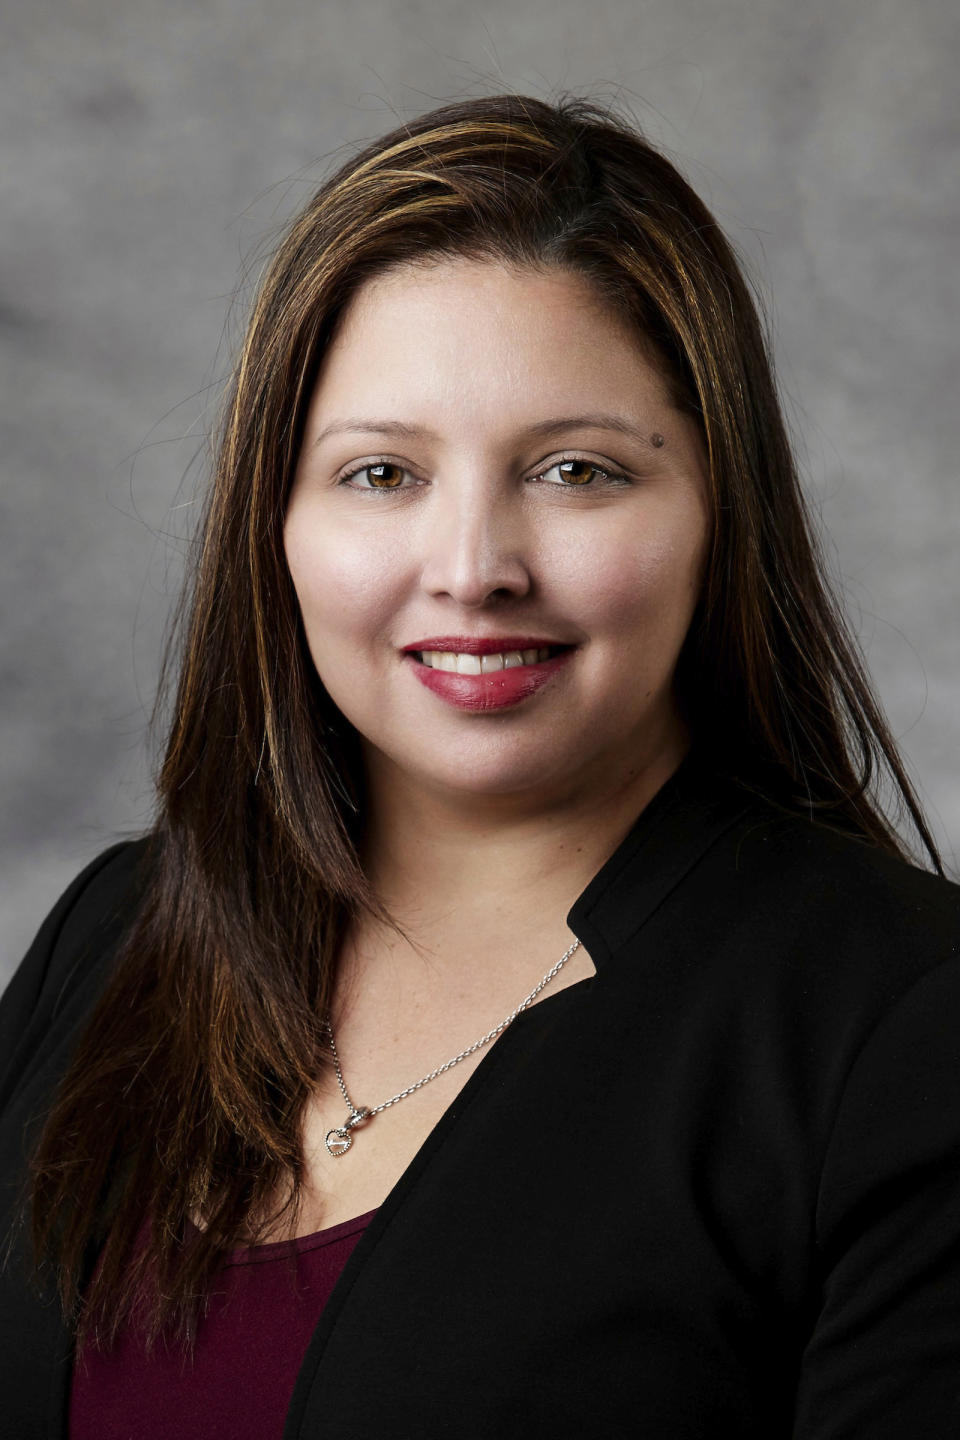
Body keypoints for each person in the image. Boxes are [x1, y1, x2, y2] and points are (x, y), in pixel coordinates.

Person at [1, 91, 958, 1439]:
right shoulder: (113, 944)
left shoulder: (900, 1031)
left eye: (576, 470)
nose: (471, 570)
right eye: (382, 474)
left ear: (715, 512)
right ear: (274, 521)